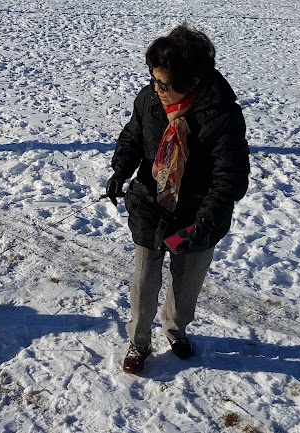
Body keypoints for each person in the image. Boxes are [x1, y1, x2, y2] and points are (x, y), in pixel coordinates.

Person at [105, 24, 250, 374]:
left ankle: (175, 329)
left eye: (165, 83)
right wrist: (121, 169)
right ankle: (139, 341)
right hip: (150, 207)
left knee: (185, 287)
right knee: (144, 281)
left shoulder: (223, 117)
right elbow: (133, 137)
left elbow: (229, 179)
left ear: (194, 81)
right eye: (154, 79)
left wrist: (203, 224)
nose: (157, 88)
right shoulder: (150, 99)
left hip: (198, 215)